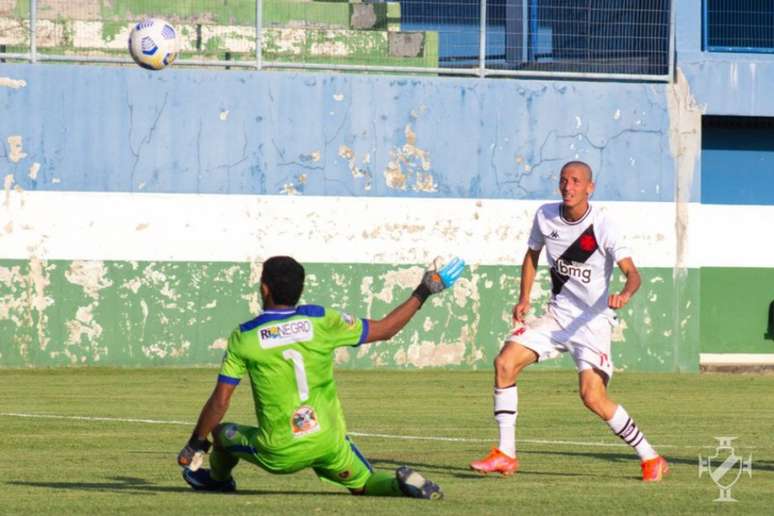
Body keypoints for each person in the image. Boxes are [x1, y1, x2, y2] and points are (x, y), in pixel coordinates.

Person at [177, 255, 464, 499]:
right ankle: (399, 485)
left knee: (221, 433)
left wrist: (195, 443)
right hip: (327, 442)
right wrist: (424, 290)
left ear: (264, 288)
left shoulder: (245, 337)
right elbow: (386, 329)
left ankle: (218, 479)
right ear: (300, 290)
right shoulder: (321, 320)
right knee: (365, 483)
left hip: (281, 451)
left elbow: (220, 401)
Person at [469, 161, 669, 482]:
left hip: (593, 322)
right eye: (564, 181)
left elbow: (633, 273)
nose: (568, 186)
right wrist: (524, 298)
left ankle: (651, 457)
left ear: (590, 187)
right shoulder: (545, 215)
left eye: (576, 181)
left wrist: (625, 294)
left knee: (592, 397)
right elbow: (532, 255)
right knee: (505, 363)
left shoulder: (602, 224)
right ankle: (506, 454)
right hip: (557, 315)